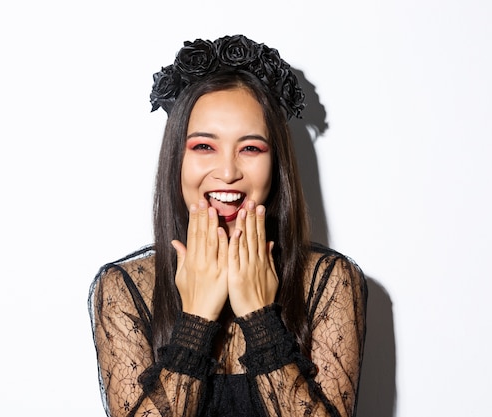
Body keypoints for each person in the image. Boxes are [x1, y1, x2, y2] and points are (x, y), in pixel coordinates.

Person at [88, 34, 367, 417]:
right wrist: (197, 319)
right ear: (177, 159)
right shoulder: (123, 287)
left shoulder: (329, 280)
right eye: (204, 146)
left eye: (250, 148)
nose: (228, 172)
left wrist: (259, 316)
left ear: (276, 165)